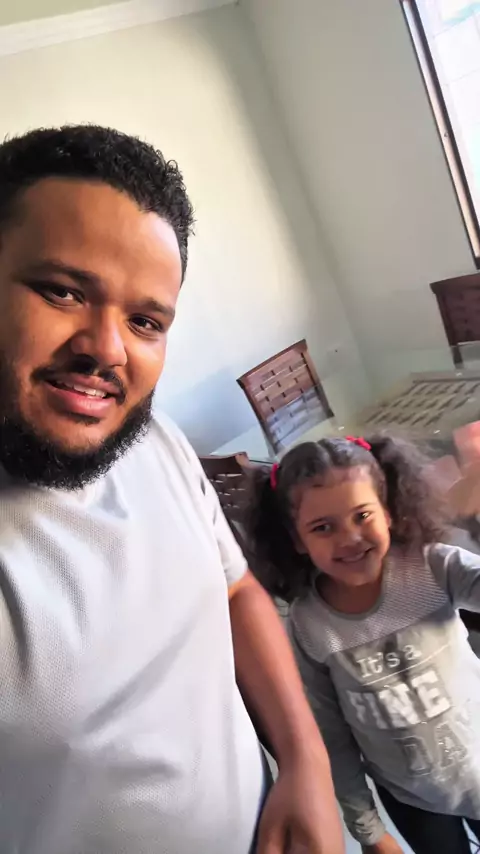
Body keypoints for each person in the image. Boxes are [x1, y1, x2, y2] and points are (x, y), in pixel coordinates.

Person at [0, 125, 344, 854]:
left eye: (145, 321)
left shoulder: (154, 440)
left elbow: (236, 590)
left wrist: (305, 759)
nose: (107, 349)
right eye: (62, 291)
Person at [246, 435, 480, 854]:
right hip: (413, 802)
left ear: (387, 511)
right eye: (323, 527)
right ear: (297, 540)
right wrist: (368, 830)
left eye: (362, 515)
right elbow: (331, 736)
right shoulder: (309, 625)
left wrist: (475, 516)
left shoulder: (433, 566)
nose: (350, 538)